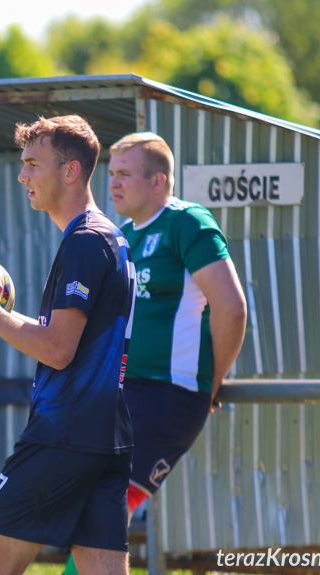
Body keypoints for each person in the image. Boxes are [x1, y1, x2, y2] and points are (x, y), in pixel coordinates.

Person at [0, 115, 135, 575]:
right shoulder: (107, 236)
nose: (22, 175)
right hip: (105, 438)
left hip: (62, 438)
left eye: (32, 163)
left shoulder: (85, 243)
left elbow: (56, 350)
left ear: (70, 171)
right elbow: (73, 341)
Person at [63, 132, 247, 574]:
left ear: (160, 181)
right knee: (90, 511)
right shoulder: (122, 236)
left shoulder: (187, 222)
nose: (113, 184)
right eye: (111, 174)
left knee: (104, 510)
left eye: (125, 174)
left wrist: (212, 384)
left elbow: (231, 307)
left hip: (169, 395)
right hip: (123, 396)